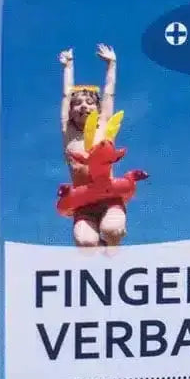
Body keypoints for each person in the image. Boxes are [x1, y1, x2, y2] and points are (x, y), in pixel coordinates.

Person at [58, 44, 126, 247]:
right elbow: (66, 96)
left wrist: (112, 65)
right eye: (78, 103)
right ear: (71, 111)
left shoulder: (103, 126)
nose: (83, 106)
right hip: (83, 204)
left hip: (109, 198)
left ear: (97, 108)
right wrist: (68, 66)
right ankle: (99, 249)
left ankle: (113, 246)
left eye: (89, 102)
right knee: (86, 242)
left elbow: (109, 94)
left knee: (111, 230)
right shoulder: (69, 133)